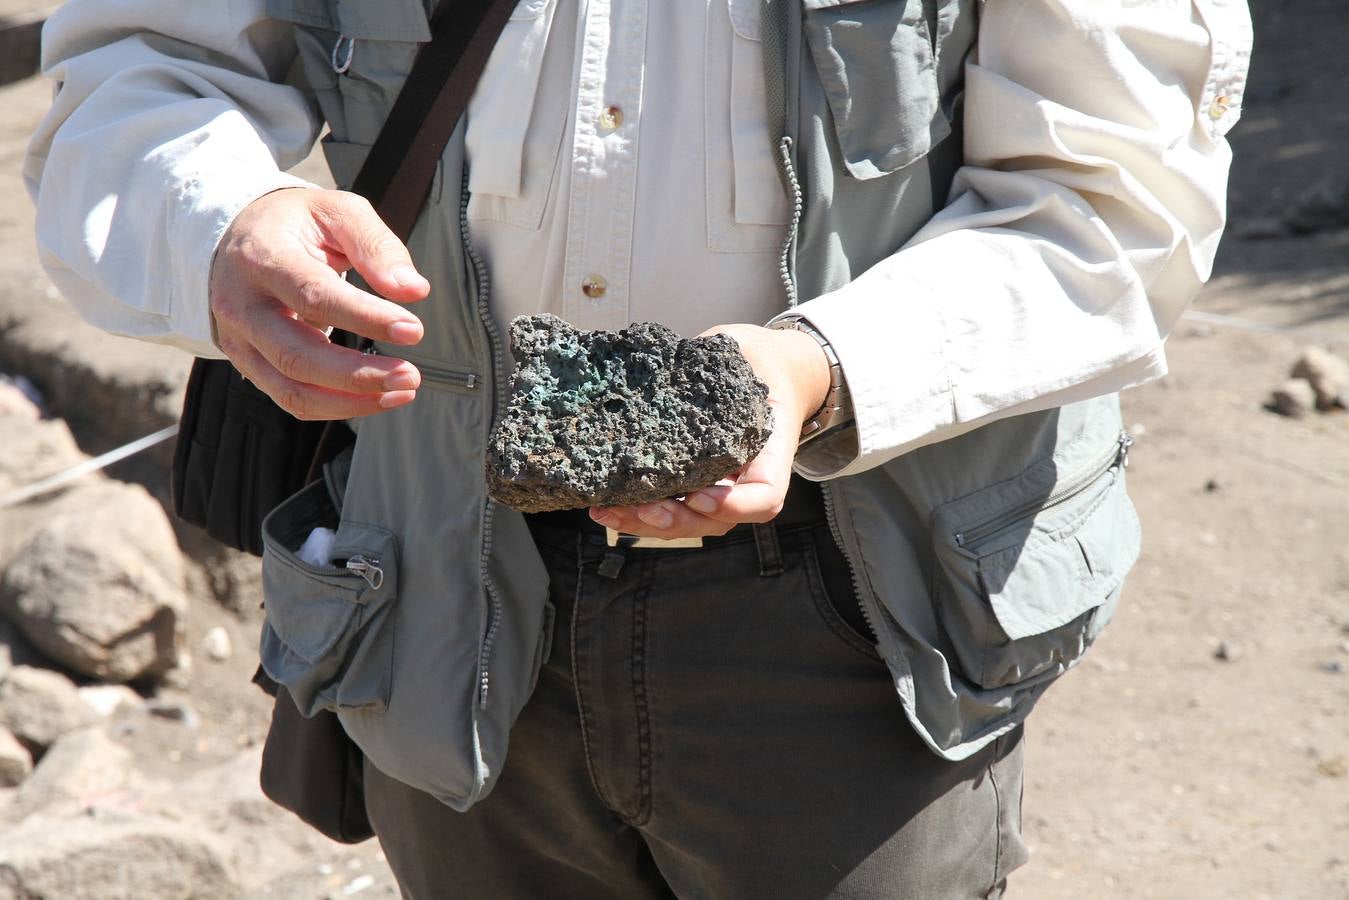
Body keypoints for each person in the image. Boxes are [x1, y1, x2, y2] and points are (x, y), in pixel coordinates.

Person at [26, 0, 1251, 896]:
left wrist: (812, 373)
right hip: (438, 595)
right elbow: (142, 65)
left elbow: (1109, 202)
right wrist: (222, 221)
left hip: (855, 613)